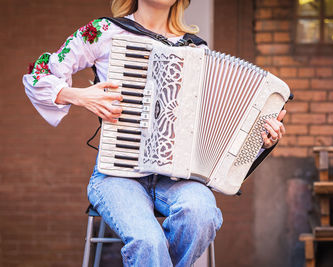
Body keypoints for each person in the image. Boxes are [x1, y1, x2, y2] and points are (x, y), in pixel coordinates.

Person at [23, 0, 286, 266]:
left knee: (201, 213)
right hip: (117, 176)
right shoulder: (103, 31)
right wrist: (80, 96)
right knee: (148, 241)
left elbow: (216, 130)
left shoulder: (196, 49)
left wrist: (260, 140)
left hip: (176, 178)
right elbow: (39, 73)